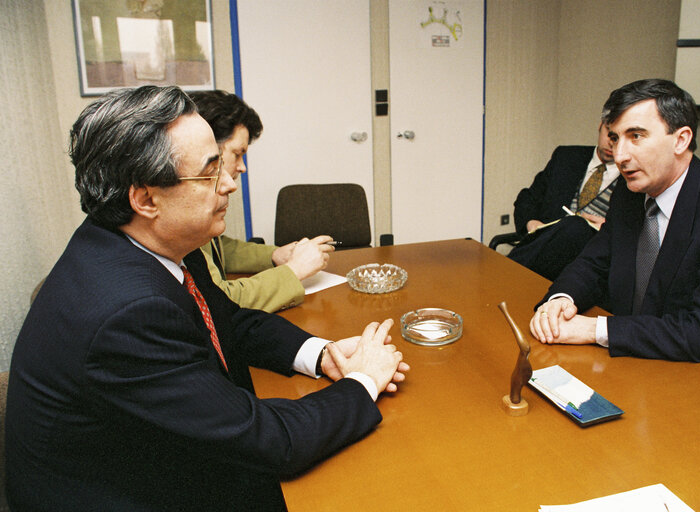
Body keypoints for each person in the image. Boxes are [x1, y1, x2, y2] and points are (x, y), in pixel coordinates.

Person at [5, 85, 409, 511]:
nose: (231, 183)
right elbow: (270, 441)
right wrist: (362, 382)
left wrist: (320, 353)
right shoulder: (125, 313)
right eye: (211, 170)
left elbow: (228, 319)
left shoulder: (151, 241)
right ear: (145, 198)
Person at [530, 79, 700, 394]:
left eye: (636, 136)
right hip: (635, 365)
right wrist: (562, 299)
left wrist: (593, 329)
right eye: (615, 138)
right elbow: (594, 263)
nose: (620, 155)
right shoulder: (629, 195)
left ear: (681, 140)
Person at [188, 90, 333, 312]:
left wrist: (274, 255)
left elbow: (217, 248)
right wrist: (294, 271)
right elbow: (220, 301)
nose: (242, 167)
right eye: (237, 154)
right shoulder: (181, 211)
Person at [508, 122, 620, 280]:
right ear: (601, 125)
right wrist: (531, 223)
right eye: (610, 134)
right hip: (543, 254)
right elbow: (527, 198)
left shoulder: (634, 179)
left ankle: (503, 272)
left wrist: (609, 229)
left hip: (588, 267)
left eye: (619, 137)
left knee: (576, 226)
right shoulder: (566, 157)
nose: (612, 142)